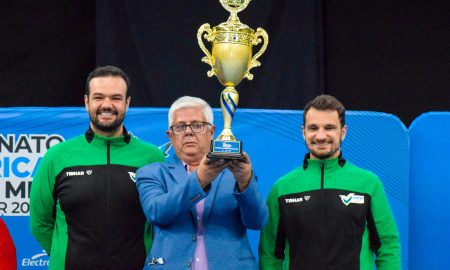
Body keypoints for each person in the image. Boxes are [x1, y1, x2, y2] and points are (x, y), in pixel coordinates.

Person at [29, 66, 165, 270]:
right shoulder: (57, 157)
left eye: (116, 98)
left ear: (127, 103)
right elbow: (40, 223)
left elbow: (162, 221)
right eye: (98, 97)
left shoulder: (153, 157)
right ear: (87, 102)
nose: (107, 105)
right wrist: (63, 254)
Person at [259, 95, 401, 269]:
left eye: (329, 128)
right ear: (303, 132)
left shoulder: (369, 184)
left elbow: (387, 246)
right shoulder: (282, 188)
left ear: (343, 131)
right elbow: (270, 253)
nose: (320, 136)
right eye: (313, 128)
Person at [136, 96, 268, 269]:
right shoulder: (152, 173)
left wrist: (245, 182)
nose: (188, 132)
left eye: (197, 125)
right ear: (170, 135)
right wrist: (200, 179)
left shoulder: (236, 171)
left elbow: (257, 222)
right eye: (180, 126)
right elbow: (157, 213)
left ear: (212, 131)